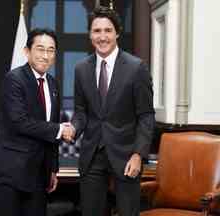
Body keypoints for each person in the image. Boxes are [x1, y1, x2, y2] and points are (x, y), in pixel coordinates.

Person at [67, 6, 155, 216]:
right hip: (92, 155)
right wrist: (74, 127)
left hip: (126, 155)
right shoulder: (81, 69)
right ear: (90, 35)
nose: (102, 36)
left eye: (107, 30)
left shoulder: (136, 68)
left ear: (117, 33)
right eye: (97, 31)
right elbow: (81, 111)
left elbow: (146, 115)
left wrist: (138, 154)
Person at [0, 28, 74, 216]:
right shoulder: (14, 79)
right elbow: (20, 122)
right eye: (40, 49)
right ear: (27, 51)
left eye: (50, 50)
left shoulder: (52, 84)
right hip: (11, 170)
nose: (45, 55)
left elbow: (51, 131)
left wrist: (53, 169)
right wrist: (59, 129)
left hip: (38, 173)